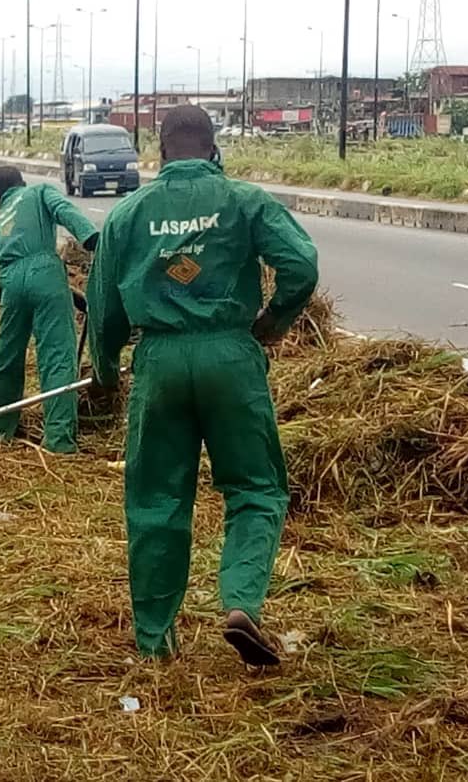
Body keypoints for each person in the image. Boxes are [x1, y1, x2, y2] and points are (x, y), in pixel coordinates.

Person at [87, 105, 319, 666]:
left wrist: (105, 371)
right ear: (213, 149)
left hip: (160, 362)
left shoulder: (129, 213)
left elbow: (104, 305)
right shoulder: (244, 200)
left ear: (160, 151)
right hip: (230, 357)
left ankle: (154, 641)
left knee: (156, 500)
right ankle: (240, 602)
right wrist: (273, 321)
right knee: (256, 489)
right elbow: (302, 264)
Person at [0, 166, 98, 454]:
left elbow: (18, 273)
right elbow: (64, 210)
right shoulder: (39, 191)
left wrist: (72, 296)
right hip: (45, 273)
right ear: (22, 182)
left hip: (10, 284)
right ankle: (59, 440)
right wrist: (92, 238)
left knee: (7, 356)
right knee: (57, 355)